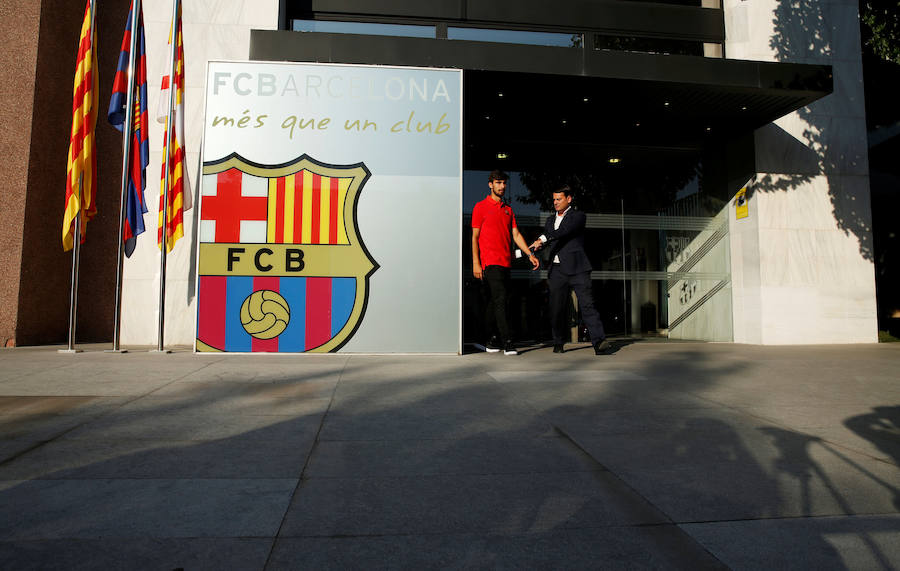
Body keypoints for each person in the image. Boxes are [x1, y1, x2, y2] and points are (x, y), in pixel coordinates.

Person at [530, 185, 612, 355]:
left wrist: (543, 238)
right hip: (557, 270)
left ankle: (599, 343)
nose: (555, 202)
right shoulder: (550, 220)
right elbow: (548, 233)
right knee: (556, 309)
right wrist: (539, 242)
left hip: (578, 269)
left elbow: (563, 232)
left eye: (559, 199)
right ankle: (558, 342)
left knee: (587, 305)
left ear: (569, 199)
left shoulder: (578, 216)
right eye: (553, 199)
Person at [471, 170, 540, 355]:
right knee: (501, 300)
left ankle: (488, 339)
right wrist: (476, 263)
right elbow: (474, 236)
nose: (502, 186)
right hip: (490, 262)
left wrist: (529, 254)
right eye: (498, 182)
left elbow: (516, 234)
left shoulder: (508, 210)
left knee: (496, 301)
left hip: (506, 262)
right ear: (490, 184)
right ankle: (507, 341)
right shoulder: (480, 207)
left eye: (504, 183)